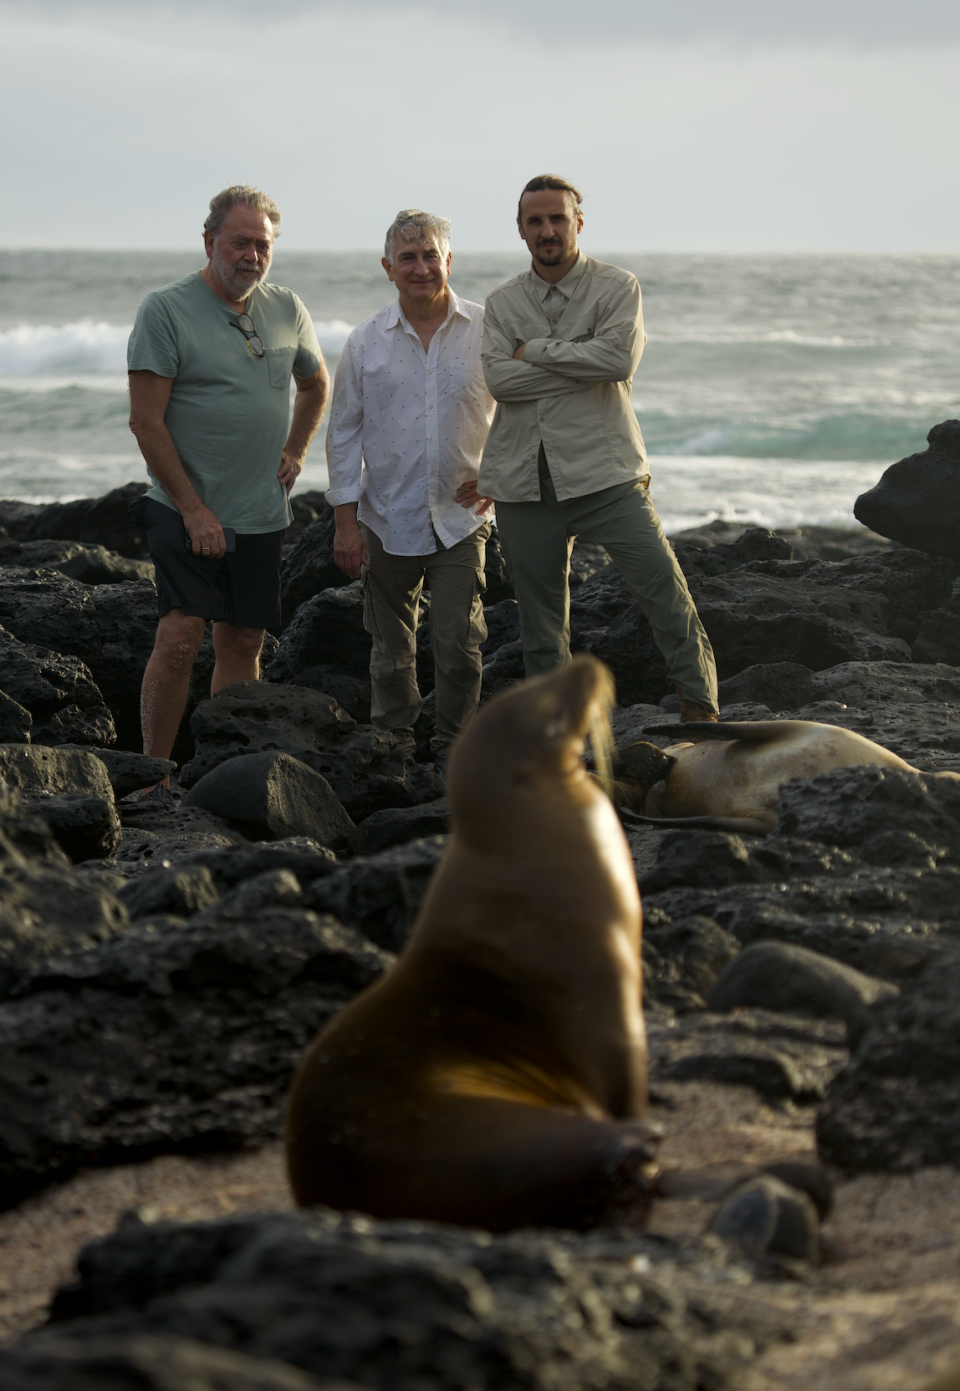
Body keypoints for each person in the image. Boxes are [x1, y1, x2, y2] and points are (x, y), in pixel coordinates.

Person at [479, 174, 719, 721]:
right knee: (541, 627)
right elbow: (499, 383)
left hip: (607, 474)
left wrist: (534, 351)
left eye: (557, 218)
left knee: (663, 589)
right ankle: (556, 736)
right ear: (520, 229)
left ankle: (701, 710)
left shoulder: (617, 288)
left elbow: (618, 363)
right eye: (535, 221)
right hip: (522, 482)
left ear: (577, 223)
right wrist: (580, 363)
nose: (547, 230)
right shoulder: (501, 302)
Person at [127, 185, 329, 802]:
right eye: (239, 241)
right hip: (182, 507)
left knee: (243, 641)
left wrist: (295, 451)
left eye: (262, 244)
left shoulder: (286, 307)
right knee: (182, 634)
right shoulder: (165, 310)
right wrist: (193, 509)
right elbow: (146, 420)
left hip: (261, 512)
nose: (251, 255)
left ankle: (223, 775)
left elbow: (316, 385)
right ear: (210, 240)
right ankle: (152, 775)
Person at [326, 209, 495, 771]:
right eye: (408, 258)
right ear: (388, 267)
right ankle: (393, 746)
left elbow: (524, 410)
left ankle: (455, 751)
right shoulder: (366, 342)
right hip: (385, 517)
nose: (420, 268)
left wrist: (501, 475)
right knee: (390, 652)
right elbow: (343, 433)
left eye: (430, 256)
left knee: (460, 647)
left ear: (448, 260)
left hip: (461, 518)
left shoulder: (487, 330)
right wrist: (345, 524)